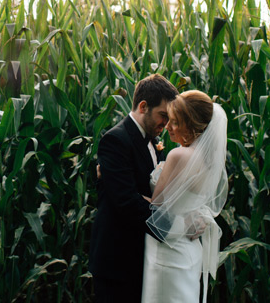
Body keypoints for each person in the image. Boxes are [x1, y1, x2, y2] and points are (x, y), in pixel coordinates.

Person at [89, 74, 179, 303]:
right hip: (117, 259)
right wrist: (174, 228)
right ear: (143, 106)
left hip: (141, 257)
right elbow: (127, 203)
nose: (166, 125)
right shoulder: (116, 140)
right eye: (162, 116)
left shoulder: (152, 140)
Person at [142, 90, 228, 303]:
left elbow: (155, 208)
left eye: (176, 122)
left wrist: (114, 183)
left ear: (193, 127)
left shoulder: (178, 155)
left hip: (166, 254)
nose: (168, 127)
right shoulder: (211, 162)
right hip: (190, 251)